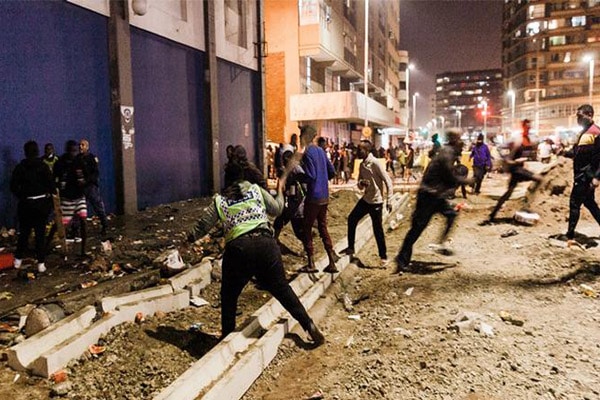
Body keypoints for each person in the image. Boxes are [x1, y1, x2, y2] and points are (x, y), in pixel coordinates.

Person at [187, 152, 324, 345]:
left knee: (229, 296)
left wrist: (187, 239)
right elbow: (277, 209)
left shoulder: (220, 200)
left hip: (239, 249)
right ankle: (308, 324)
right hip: (266, 245)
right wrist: (279, 190)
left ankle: (227, 338)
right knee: (282, 289)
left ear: (226, 180)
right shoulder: (255, 190)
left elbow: (201, 227)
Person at [394, 130, 472, 273]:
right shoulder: (447, 153)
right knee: (417, 229)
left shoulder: (447, 152)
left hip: (436, 195)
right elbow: (449, 176)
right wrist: (467, 181)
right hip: (428, 195)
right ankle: (401, 259)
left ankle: (441, 244)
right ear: (454, 140)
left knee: (451, 215)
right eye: (460, 139)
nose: (462, 144)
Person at [344, 140, 393, 268]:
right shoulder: (361, 165)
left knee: (377, 230)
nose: (357, 152)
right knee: (352, 219)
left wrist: (389, 200)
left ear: (367, 150)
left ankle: (384, 257)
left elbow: (388, 181)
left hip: (376, 202)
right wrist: (362, 183)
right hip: (366, 199)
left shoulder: (375, 163)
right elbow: (359, 185)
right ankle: (351, 247)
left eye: (360, 149)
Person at [483, 120, 543, 223]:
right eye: (527, 126)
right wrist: (507, 159)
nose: (528, 128)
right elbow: (500, 147)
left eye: (529, 126)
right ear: (523, 127)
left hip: (519, 167)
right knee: (539, 179)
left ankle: (493, 214)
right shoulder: (516, 138)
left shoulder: (529, 138)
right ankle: (526, 204)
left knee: (508, 193)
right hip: (515, 169)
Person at [10, 141, 55, 273]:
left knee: (24, 233)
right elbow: (51, 186)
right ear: (37, 151)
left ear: (25, 152)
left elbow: (13, 186)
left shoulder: (20, 167)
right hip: (41, 205)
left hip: (26, 204)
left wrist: (22, 196)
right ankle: (41, 263)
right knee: (40, 234)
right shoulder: (43, 166)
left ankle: (18, 260)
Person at [299, 125, 338, 273]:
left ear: (305, 136)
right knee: (323, 227)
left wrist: (299, 177)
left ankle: (311, 263)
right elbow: (332, 171)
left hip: (313, 197)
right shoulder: (321, 151)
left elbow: (310, 176)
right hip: (324, 196)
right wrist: (323, 180)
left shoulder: (307, 153)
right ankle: (331, 261)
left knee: (306, 228)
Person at [564, 104, 600, 243]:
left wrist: (597, 177)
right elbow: (577, 153)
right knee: (589, 203)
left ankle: (570, 236)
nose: (578, 119)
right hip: (580, 174)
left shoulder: (596, 132)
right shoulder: (583, 133)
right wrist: (564, 153)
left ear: (589, 115)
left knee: (574, 203)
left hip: (586, 176)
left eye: (580, 116)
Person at [54, 140, 88, 256]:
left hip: (79, 196)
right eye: (71, 151)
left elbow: (87, 175)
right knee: (60, 224)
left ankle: (83, 251)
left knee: (84, 221)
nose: (73, 153)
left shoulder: (79, 161)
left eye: (75, 151)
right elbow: (55, 177)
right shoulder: (61, 162)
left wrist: (84, 182)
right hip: (67, 198)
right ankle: (46, 246)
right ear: (67, 150)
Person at [273, 146, 306, 242]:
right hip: (291, 202)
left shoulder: (296, 169)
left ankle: (308, 247)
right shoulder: (289, 170)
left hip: (296, 204)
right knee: (279, 222)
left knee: (298, 230)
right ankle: (275, 240)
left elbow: (303, 185)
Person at [79, 139, 109, 236]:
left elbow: (95, 173)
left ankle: (105, 225)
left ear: (87, 147)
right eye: (80, 145)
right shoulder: (78, 158)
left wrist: (87, 180)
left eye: (83, 145)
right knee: (79, 209)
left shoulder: (91, 158)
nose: (80, 147)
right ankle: (76, 230)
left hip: (91, 187)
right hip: (81, 188)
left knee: (98, 207)